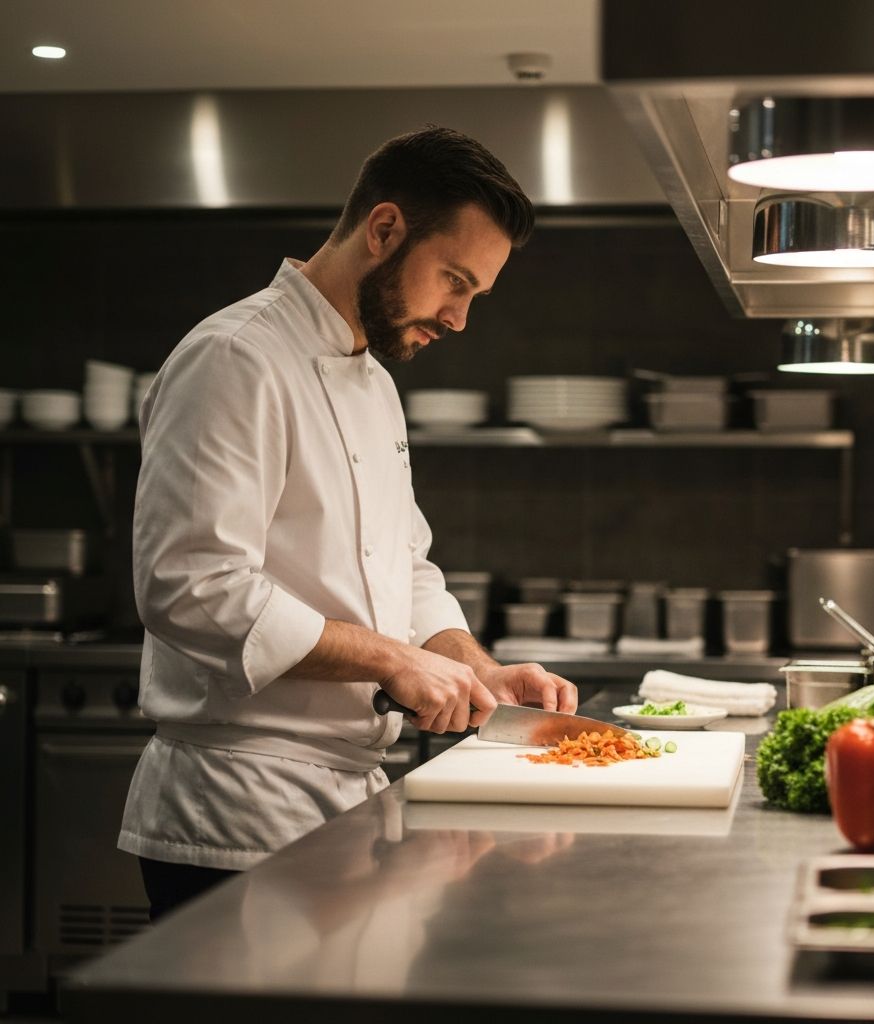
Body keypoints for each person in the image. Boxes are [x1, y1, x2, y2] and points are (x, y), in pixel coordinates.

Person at [118, 126, 578, 920]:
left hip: (347, 809)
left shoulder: (374, 383)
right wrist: (390, 660)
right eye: (453, 282)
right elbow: (188, 588)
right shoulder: (235, 358)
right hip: (238, 809)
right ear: (386, 229)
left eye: (475, 295)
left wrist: (478, 674)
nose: (460, 319)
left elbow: (407, 568)